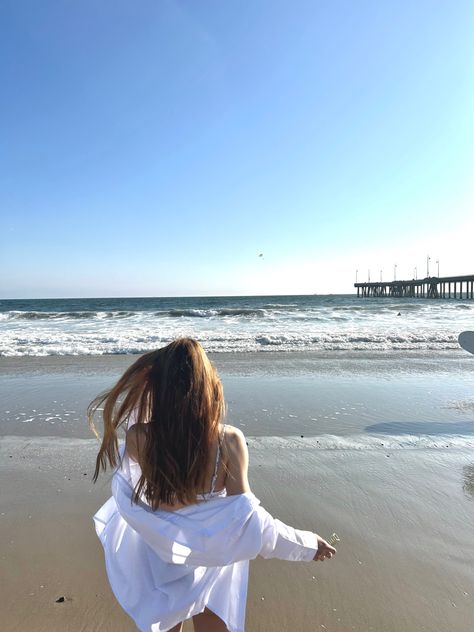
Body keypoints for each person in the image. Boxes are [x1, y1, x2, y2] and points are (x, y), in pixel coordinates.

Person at [89, 338, 336, 632]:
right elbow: (248, 521)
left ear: (160, 387)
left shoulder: (139, 438)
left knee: (167, 623)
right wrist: (305, 544)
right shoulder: (228, 440)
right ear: (209, 385)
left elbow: (132, 489)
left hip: (161, 551)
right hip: (214, 555)